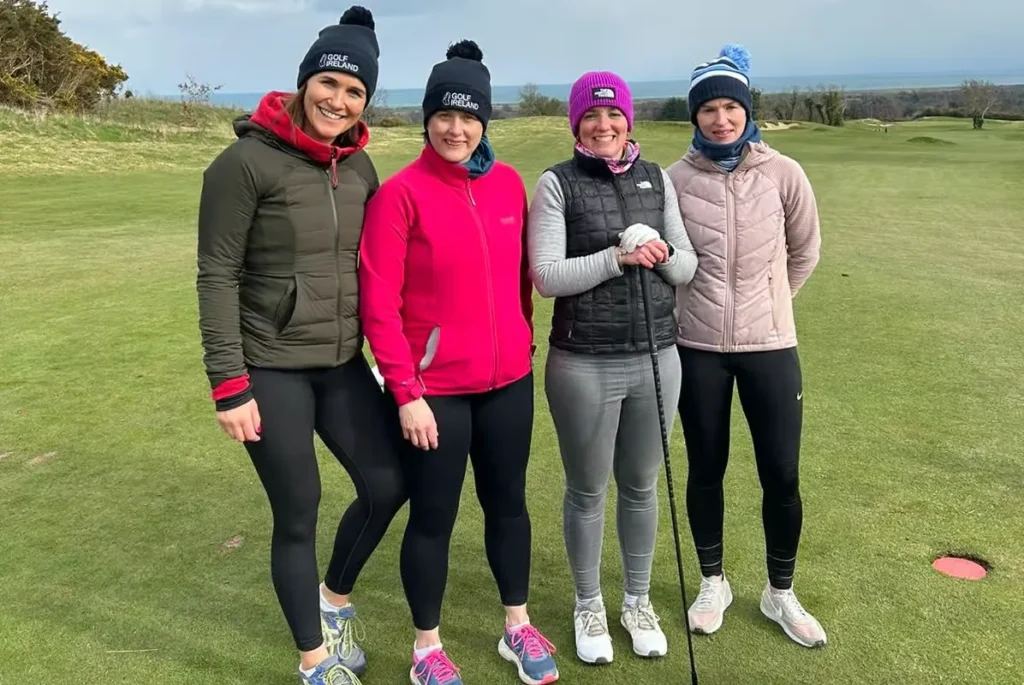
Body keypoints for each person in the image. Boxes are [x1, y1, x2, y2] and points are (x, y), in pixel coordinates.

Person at [195, 7, 406, 684]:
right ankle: (314, 658)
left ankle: (332, 599)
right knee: (300, 509)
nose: (338, 100)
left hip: (343, 365)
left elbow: (382, 267)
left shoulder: (362, 166)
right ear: (304, 80)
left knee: (388, 482)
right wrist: (230, 384)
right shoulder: (244, 162)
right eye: (330, 83)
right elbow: (216, 273)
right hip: (271, 370)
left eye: (355, 92)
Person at [358, 40, 559, 685]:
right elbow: (379, 305)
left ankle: (517, 626)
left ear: (484, 123)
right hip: (434, 392)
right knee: (434, 518)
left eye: (470, 118)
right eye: (444, 116)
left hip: (508, 384)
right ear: (427, 119)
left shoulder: (505, 185)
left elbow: (521, 280)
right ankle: (426, 649)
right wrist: (406, 390)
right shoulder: (401, 195)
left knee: (509, 507)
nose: (456, 128)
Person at [527, 71, 699, 665]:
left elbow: (685, 269)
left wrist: (663, 251)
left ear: (629, 120)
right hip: (583, 362)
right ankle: (588, 603)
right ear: (576, 123)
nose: (604, 126)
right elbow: (547, 277)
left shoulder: (657, 179)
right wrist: (616, 256)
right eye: (591, 117)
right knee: (587, 489)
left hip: (658, 355)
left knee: (642, 485)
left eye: (614, 115)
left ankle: (637, 599)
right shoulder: (557, 183)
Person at [665, 44, 826, 648]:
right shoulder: (675, 179)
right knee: (707, 469)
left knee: (781, 473)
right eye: (709, 109)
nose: (721, 118)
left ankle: (780, 592)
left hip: (771, 347)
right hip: (698, 346)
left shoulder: (785, 173)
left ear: (746, 110)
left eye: (731, 106)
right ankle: (714, 582)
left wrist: (769, 301)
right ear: (696, 116)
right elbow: (671, 260)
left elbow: (806, 250)